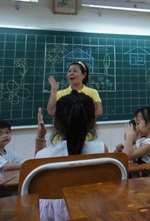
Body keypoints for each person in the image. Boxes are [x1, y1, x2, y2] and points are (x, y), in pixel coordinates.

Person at [35, 90, 107, 221]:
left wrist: (40, 137)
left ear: (56, 122)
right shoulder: (101, 149)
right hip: (93, 211)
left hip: (54, 215)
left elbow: (36, 180)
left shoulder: (43, 155)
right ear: (92, 122)